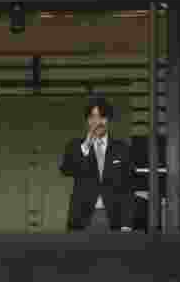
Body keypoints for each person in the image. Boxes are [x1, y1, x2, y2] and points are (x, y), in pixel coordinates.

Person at [59, 97, 137, 232]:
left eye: (102, 117)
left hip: (113, 218)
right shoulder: (76, 146)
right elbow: (67, 170)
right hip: (82, 218)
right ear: (87, 121)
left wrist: (127, 223)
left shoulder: (122, 148)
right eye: (92, 117)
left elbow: (128, 188)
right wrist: (86, 146)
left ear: (108, 120)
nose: (97, 122)